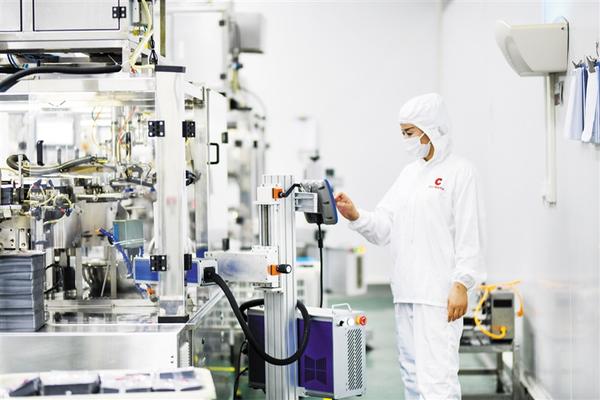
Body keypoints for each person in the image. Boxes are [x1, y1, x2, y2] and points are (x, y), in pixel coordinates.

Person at [335, 93, 486, 399]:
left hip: (438, 297)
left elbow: (470, 234)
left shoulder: (461, 172)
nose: (406, 140)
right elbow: (385, 227)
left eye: (409, 132)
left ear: (431, 129)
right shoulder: (409, 175)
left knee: (437, 381)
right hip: (406, 292)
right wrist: (356, 215)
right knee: (413, 377)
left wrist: (462, 283)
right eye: (403, 132)